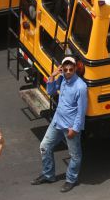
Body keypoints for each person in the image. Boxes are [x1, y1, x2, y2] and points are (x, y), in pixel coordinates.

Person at [31, 56, 86, 192]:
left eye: (70, 70)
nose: (67, 72)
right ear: (62, 69)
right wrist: (53, 76)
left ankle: (71, 180)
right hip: (57, 122)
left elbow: (81, 110)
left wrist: (75, 128)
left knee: (75, 155)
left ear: (74, 70)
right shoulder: (62, 79)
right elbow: (50, 92)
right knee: (44, 146)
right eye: (65, 69)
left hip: (70, 126)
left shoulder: (81, 87)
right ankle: (48, 175)